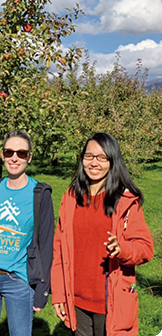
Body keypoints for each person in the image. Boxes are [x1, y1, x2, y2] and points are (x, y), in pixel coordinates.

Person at [51, 133, 154, 336]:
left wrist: (122, 249)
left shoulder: (124, 200)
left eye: (102, 157)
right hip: (77, 300)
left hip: (111, 301)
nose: (94, 163)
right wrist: (59, 294)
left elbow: (145, 248)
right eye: (89, 156)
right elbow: (59, 248)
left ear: (112, 160)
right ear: (81, 159)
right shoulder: (71, 197)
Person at [0, 130, 54, 336]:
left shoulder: (39, 194)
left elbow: (46, 242)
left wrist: (43, 288)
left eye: (21, 153)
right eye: (9, 152)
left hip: (18, 280)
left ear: (29, 157)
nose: (14, 158)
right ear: (2, 155)